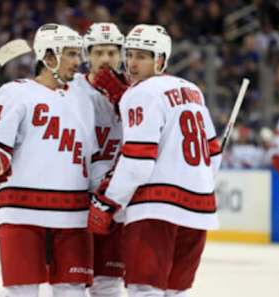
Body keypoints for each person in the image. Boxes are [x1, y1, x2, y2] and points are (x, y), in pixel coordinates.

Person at [87, 24, 222, 297]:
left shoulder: (140, 93)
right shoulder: (192, 90)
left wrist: (108, 202)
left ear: (160, 60)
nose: (131, 63)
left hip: (155, 210)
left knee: (144, 290)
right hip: (199, 210)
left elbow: (138, 162)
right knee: (176, 292)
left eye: (142, 56)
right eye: (131, 54)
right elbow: (214, 155)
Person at [0, 24, 97, 297]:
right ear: (49, 57)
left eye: (78, 54)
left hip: (74, 215)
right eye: (70, 54)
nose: (78, 62)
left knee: (73, 291)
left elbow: (94, 154)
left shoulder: (85, 97)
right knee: (22, 292)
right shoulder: (18, 92)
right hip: (22, 212)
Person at [70, 22, 127, 297]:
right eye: (99, 52)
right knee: (70, 283)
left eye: (112, 52)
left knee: (108, 283)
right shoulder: (71, 89)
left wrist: (123, 97)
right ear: (87, 54)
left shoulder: (139, 93)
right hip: (75, 199)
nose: (106, 59)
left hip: (113, 201)